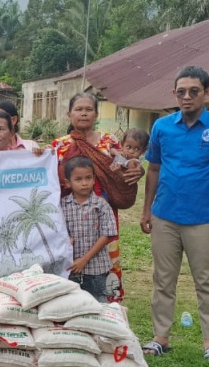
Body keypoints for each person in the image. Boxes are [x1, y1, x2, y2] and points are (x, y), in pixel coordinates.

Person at [139, 66, 209, 361]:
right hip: (165, 216)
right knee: (163, 279)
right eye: (181, 92)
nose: (187, 97)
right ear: (174, 94)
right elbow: (154, 169)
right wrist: (146, 210)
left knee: (207, 281)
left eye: (194, 91)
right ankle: (161, 337)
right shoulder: (162, 127)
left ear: (207, 93)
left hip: (204, 219)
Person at [53, 93, 143, 300]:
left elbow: (122, 162)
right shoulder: (59, 146)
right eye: (78, 109)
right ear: (69, 114)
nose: (83, 113)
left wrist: (135, 168)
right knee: (73, 258)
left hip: (104, 210)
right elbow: (47, 176)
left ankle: (107, 302)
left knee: (105, 255)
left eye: (88, 109)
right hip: (71, 214)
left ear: (96, 115)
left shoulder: (107, 141)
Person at [61, 156, 118, 302]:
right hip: (70, 269)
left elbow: (106, 235)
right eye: (78, 179)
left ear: (94, 179)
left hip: (97, 270)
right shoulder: (62, 205)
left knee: (99, 306)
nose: (84, 183)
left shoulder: (101, 205)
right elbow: (55, 231)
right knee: (72, 307)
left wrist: (84, 260)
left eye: (88, 178)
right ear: (68, 183)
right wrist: (64, 239)